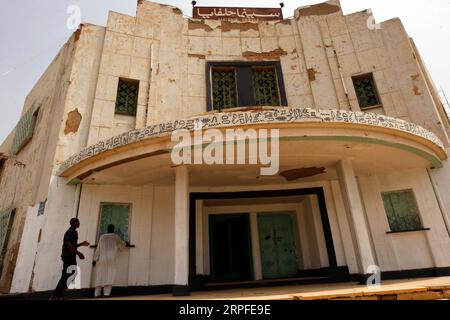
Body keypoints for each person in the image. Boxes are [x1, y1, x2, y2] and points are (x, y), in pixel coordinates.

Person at [50, 218, 89, 299]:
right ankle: (56, 294)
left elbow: (72, 245)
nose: (79, 223)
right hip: (68, 256)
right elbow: (68, 245)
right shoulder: (70, 232)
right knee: (67, 275)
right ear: (73, 223)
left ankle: (59, 293)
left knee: (70, 274)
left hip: (70, 256)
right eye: (78, 222)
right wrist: (79, 253)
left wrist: (81, 244)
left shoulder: (74, 232)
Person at [92, 224, 129, 298]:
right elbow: (121, 246)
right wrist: (126, 244)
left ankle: (97, 294)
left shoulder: (102, 237)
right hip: (112, 259)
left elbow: (98, 249)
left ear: (107, 229)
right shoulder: (115, 237)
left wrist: (95, 259)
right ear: (113, 229)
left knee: (100, 276)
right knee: (110, 275)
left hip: (102, 259)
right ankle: (106, 294)